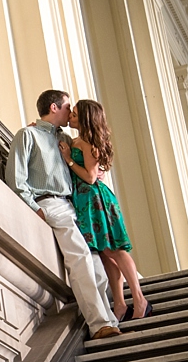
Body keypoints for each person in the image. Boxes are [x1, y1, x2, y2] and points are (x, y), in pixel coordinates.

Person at [5, 90, 121, 340]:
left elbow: (87, 163)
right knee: (80, 257)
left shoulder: (66, 139)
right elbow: (16, 179)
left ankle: (110, 320)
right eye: (68, 107)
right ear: (55, 107)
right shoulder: (28, 135)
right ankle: (98, 324)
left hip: (74, 205)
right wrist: (34, 207)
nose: (72, 112)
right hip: (50, 204)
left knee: (97, 265)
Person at [59, 99, 152, 320]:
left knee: (114, 250)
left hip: (95, 199)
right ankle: (119, 304)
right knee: (105, 254)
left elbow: (91, 178)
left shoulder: (88, 142)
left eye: (74, 113)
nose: (70, 115)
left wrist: (70, 161)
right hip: (86, 200)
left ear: (85, 117)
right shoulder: (78, 140)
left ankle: (140, 299)